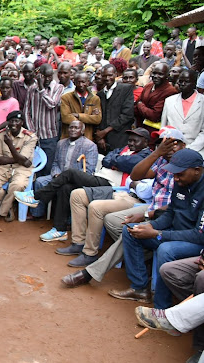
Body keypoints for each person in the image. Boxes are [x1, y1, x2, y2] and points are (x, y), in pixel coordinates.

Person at [61, 127, 183, 289]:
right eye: (162, 143)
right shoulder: (160, 160)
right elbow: (135, 175)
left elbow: (178, 205)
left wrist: (147, 214)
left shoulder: (188, 167)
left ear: (183, 145)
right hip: (152, 208)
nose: (167, 147)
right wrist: (157, 153)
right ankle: (137, 255)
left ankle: (91, 272)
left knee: (130, 232)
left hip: (164, 215)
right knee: (113, 221)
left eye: (172, 143)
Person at [109, 149, 204, 308]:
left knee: (166, 250)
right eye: (174, 174)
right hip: (174, 233)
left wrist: (158, 234)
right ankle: (139, 288)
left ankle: (162, 307)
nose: (175, 178)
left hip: (195, 242)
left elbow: (199, 236)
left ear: (197, 171)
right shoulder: (181, 182)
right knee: (132, 231)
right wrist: (150, 226)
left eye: (179, 174)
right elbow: (170, 213)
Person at [18, 128, 151, 240]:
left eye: (135, 140)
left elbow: (125, 163)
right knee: (65, 187)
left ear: (146, 142)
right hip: (99, 178)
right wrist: (118, 161)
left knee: (70, 173)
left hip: (110, 186)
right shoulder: (124, 149)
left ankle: (36, 196)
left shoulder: (146, 156)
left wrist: (117, 161)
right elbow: (106, 160)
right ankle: (60, 230)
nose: (131, 143)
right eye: (130, 140)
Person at [29, 121, 98, 219]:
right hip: (58, 176)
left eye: (76, 128)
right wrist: (56, 174)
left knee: (65, 188)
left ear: (82, 131)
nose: (73, 130)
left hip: (75, 180)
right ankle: (37, 213)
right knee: (40, 181)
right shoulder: (61, 143)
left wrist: (68, 178)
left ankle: (67, 220)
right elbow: (55, 163)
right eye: (71, 127)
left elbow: (88, 170)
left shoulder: (90, 146)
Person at [0, 111, 38, 222]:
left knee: (18, 185)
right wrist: (19, 159)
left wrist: (10, 145)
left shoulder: (30, 137)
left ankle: (1, 210)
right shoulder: (1, 134)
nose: (13, 124)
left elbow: (25, 162)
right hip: (3, 167)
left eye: (16, 121)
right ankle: (10, 206)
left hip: (21, 169)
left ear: (21, 123)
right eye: (11, 121)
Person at [23, 63, 64, 177]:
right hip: (34, 136)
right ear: (39, 75)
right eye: (44, 76)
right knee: (34, 168)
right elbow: (27, 111)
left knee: (47, 168)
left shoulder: (58, 88)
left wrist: (41, 88)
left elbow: (51, 104)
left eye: (50, 76)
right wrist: (32, 131)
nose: (47, 79)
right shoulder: (32, 89)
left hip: (50, 136)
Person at [95, 64, 136, 154]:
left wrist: (105, 131)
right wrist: (100, 136)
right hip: (103, 141)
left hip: (120, 137)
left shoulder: (126, 89)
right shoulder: (99, 94)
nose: (107, 78)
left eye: (110, 75)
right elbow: (97, 116)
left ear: (116, 75)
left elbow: (127, 115)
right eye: (104, 76)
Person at [162, 70, 204, 155]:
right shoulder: (169, 101)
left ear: (194, 83)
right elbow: (164, 127)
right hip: (171, 149)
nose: (182, 84)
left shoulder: (202, 101)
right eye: (180, 81)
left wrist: (189, 149)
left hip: (197, 150)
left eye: (186, 81)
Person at [135, 63, 178, 132]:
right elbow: (136, 106)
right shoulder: (148, 86)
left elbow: (154, 115)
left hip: (154, 131)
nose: (155, 76)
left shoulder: (170, 91)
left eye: (160, 74)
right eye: (154, 73)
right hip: (140, 126)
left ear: (167, 75)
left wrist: (140, 105)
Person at [59, 71, 101, 141]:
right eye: (78, 82)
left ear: (88, 82)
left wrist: (78, 115)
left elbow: (97, 119)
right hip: (69, 138)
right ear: (74, 82)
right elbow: (66, 118)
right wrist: (89, 118)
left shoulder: (95, 98)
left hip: (87, 138)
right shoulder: (66, 97)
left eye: (83, 82)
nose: (81, 85)